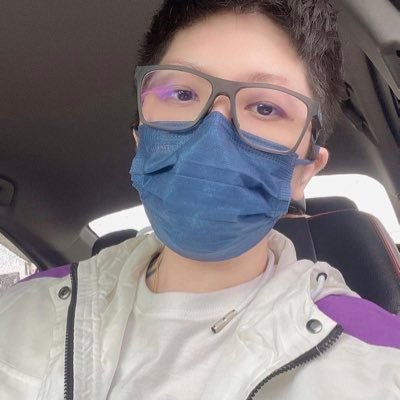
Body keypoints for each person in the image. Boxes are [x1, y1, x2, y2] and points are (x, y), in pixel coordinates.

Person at [1, 1, 399, 399]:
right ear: (141, 138)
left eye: (265, 107)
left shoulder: (379, 364)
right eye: (182, 92)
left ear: (305, 170)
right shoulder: (21, 312)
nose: (213, 134)